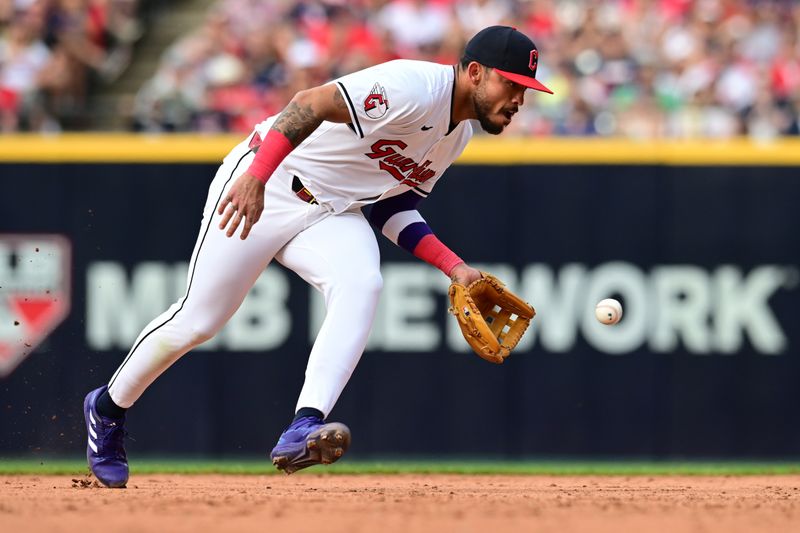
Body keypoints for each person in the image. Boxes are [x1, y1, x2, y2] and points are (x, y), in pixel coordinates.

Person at [82, 25, 553, 487]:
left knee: (362, 284)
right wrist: (256, 176)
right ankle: (106, 409)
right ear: (475, 72)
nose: (518, 100)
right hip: (270, 183)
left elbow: (390, 206)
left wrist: (455, 267)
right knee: (197, 321)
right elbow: (308, 102)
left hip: (332, 211)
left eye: (525, 90)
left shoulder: (458, 135)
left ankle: (303, 426)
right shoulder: (411, 87)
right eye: (512, 84)